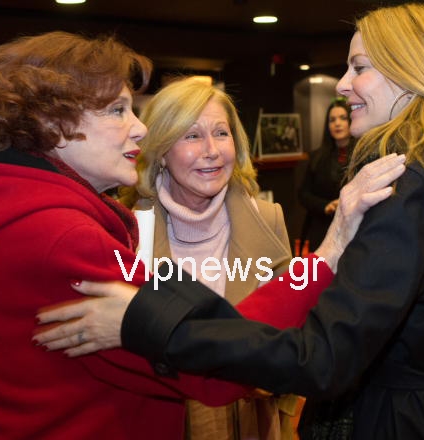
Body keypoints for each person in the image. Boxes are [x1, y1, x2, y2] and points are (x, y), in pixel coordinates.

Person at [34, 3, 424, 439]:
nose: (342, 84)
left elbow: (318, 351)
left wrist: (147, 321)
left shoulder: (398, 183)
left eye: (359, 67)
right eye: (191, 136)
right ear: (161, 151)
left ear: (412, 71)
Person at [0, 31, 405, 439]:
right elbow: (218, 362)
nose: (139, 129)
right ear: (51, 124)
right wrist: (329, 250)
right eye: (117, 110)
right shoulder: (64, 238)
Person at [122, 76, 297, 440]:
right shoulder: (128, 231)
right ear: (161, 151)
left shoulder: (269, 219)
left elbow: (294, 332)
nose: (212, 150)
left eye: (221, 133)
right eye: (192, 136)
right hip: (165, 422)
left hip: (251, 422)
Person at [299, 98, 355, 251]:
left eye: (343, 118)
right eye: (332, 120)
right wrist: (326, 206)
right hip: (322, 230)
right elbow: (304, 195)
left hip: (352, 230)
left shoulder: (363, 156)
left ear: (351, 120)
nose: (337, 123)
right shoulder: (316, 157)